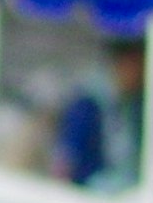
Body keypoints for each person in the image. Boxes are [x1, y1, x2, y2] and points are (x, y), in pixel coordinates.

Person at [55, 42, 147, 192]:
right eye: (136, 68)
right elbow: (68, 159)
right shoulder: (87, 105)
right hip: (89, 190)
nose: (140, 76)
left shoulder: (133, 105)